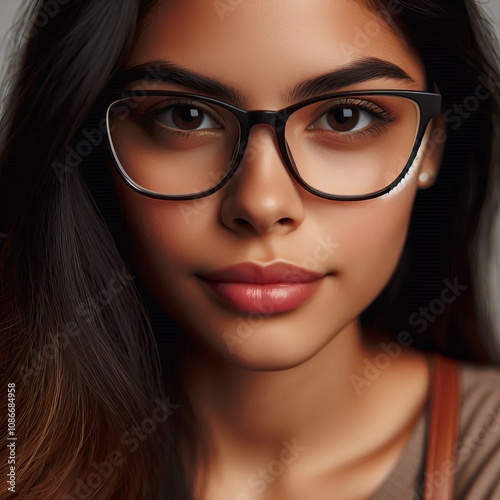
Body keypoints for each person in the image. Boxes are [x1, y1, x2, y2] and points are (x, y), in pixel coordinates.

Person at [1, 0, 500, 498]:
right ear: (95, 142)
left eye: (344, 117)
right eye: (187, 116)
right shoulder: (16, 447)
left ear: (432, 141)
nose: (261, 203)